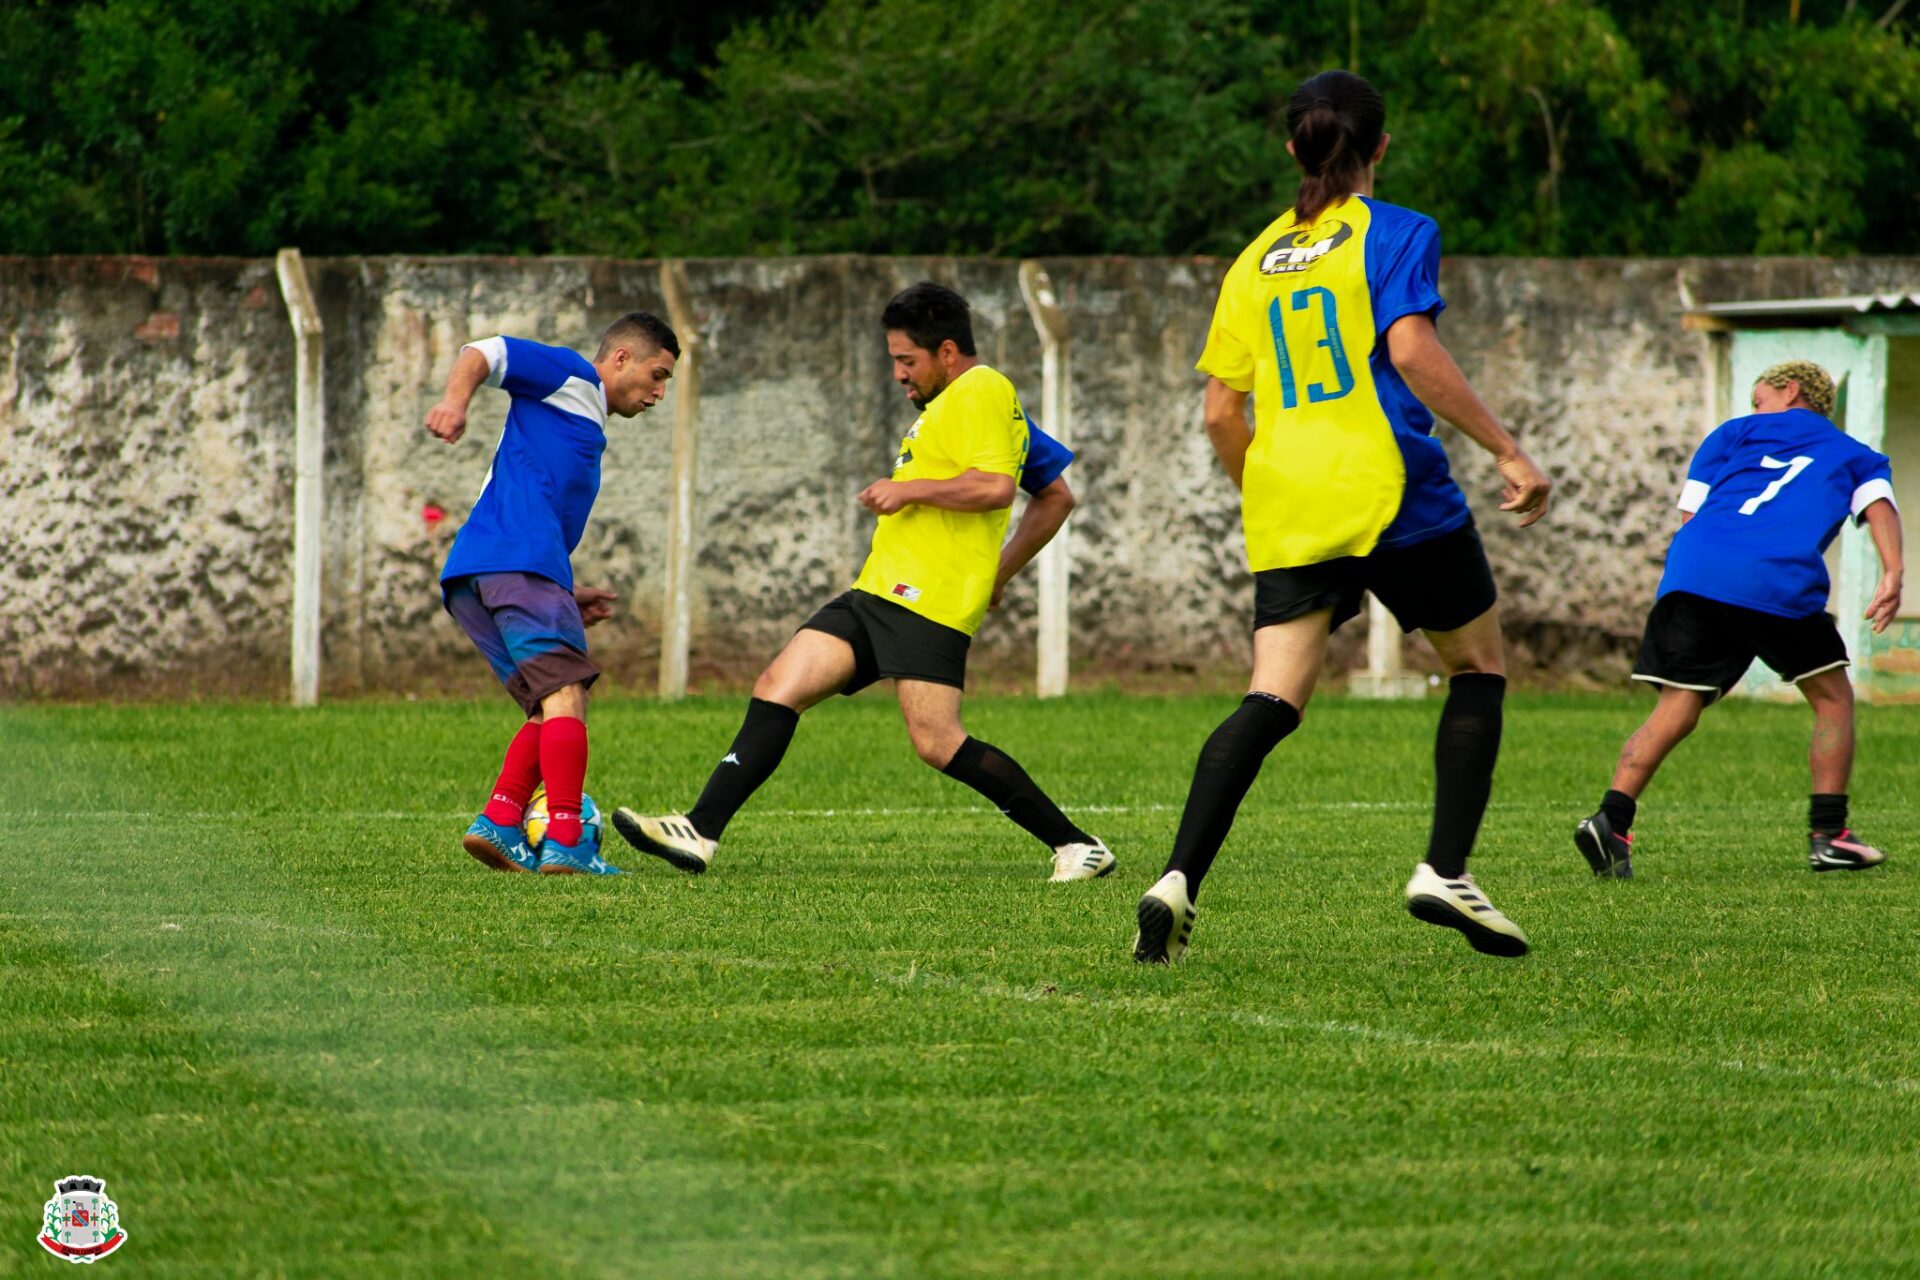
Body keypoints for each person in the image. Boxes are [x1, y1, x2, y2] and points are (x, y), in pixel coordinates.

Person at [1132, 69, 1553, 964]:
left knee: (1270, 698)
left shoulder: (1254, 259)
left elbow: (1219, 411)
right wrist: (1508, 450)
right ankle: (1445, 869)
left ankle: (1176, 879)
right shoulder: (1397, 231)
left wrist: (1272, 483)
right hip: (1389, 484)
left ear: (1294, 148)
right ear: (1380, 148)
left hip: (1287, 499)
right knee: (1478, 667)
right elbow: (1411, 345)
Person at [612, 281, 1111, 882]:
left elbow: (996, 488)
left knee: (937, 741)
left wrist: (909, 490)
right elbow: (1055, 494)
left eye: (908, 360)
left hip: (930, 599)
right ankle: (701, 830)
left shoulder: (984, 389)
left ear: (947, 352)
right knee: (780, 683)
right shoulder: (966, 407)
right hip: (880, 590)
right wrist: (1000, 572)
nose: (900, 374)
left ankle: (1077, 846)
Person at [1575, 360, 1902, 879]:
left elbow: (1691, 515)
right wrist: (1893, 572)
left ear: (1789, 390)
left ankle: (1612, 820)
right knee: (1832, 696)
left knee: (1678, 705)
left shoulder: (1730, 435)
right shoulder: (1856, 455)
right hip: (1774, 576)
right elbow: (1880, 507)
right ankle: (1830, 834)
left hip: (1695, 569)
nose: (1754, 411)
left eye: (1759, 399)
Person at [428, 312, 680, 875]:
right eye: (657, 375)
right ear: (621, 359)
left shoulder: (583, 415)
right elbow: (484, 351)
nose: (660, 393)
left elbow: (533, 497)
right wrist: (455, 402)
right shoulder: (573, 376)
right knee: (568, 695)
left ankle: (500, 821)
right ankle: (567, 836)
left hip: (483, 573)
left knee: (550, 705)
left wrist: (565, 589)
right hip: (516, 565)